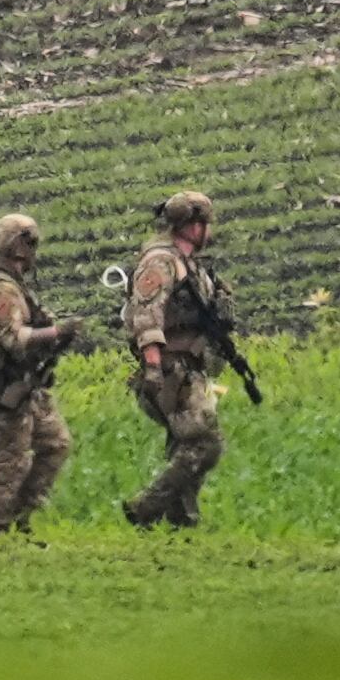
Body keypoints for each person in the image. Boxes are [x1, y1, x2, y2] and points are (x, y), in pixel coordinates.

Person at [121, 190, 229, 530]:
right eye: (205, 224)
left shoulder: (188, 265)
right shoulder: (161, 262)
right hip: (170, 369)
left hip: (188, 366)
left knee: (185, 444)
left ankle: (181, 520)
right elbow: (146, 315)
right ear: (192, 227)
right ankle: (147, 507)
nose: (209, 232)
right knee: (205, 443)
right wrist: (153, 365)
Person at [0, 212, 82, 536]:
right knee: (9, 463)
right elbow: (14, 339)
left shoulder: (16, 286)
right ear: (22, 246)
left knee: (55, 445)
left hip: (29, 385)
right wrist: (56, 332)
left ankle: (20, 517)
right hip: (7, 387)